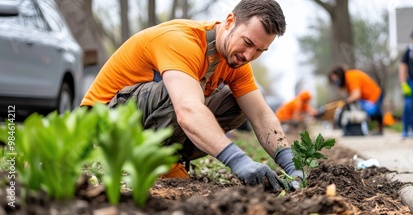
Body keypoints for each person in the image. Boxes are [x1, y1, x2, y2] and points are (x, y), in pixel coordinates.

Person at [81, 0, 302, 191]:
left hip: (138, 124)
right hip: (103, 124)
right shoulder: (182, 41)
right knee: (180, 90)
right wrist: (239, 161)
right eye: (248, 43)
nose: (248, 55)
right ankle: (156, 163)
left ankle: (166, 159)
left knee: (238, 103)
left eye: (260, 51)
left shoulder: (236, 61)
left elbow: (261, 115)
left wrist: (292, 165)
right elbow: (187, 110)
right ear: (229, 22)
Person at [328, 64, 384, 135]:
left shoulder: (350, 77)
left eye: (335, 78)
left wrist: (346, 101)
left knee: (374, 113)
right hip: (366, 98)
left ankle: (378, 129)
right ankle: (373, 129)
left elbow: (356, 95)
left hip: (374, 95)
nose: (335, 81)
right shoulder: (347, 80)